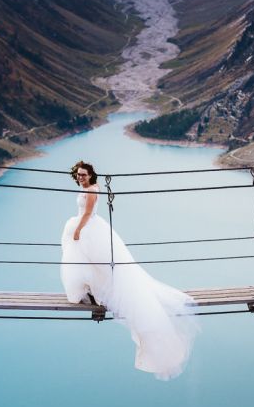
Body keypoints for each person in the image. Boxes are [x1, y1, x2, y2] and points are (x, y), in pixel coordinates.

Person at [60, 160, 198, 380]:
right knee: (90, 263)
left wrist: (77, 230)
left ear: (91, 175)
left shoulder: (92, 191)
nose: (80, 178)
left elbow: (86, 214)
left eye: (84, 175)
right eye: (78, 174)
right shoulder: (87, 188)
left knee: (95, 263)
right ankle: (91, 289)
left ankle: (96, 291)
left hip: (88, 228)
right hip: (90, 228)